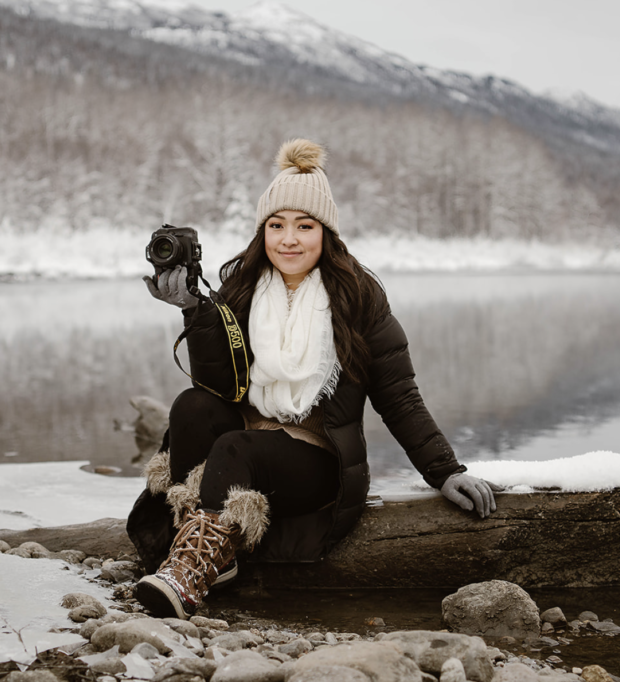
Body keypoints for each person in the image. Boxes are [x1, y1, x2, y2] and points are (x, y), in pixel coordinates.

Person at [128, 139, 501, 620]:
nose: (289, 239)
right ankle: (202, 553)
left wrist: (445, 470)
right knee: (189, 407)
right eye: (276, 225)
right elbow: (218, 387)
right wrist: (195, 313)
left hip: (314, 459)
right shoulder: (241, 287)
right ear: (263, 231)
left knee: (233, 448)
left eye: (304, 226)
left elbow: (399, 396)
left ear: (326, 233)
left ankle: (191, 567)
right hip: (246, 443)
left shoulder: (358, 298)